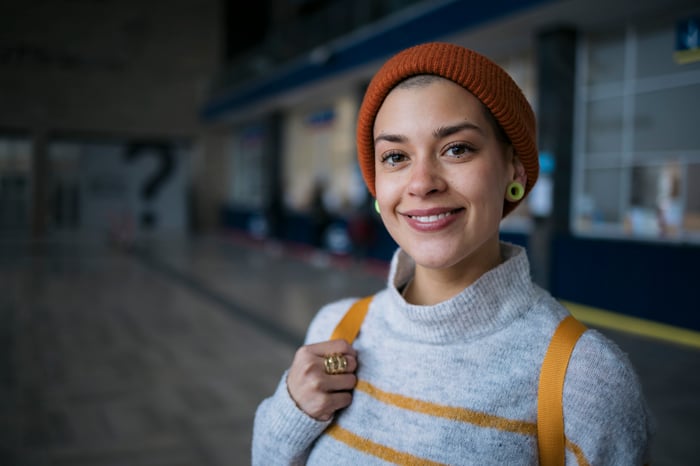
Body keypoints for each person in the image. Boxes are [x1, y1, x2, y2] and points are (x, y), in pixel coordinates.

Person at [252, 42, 653, 465]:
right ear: (376, 185)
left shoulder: (585, 378)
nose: (421, 183)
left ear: (513, 168)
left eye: (457, 148)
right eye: (395, 156)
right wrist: (291, 411)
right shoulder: (336, 331)